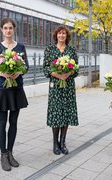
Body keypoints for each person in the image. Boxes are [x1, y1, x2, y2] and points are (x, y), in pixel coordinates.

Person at [0, 18, 29, 171]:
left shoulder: (20, 47)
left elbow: (26, 67)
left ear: (14, 29)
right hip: (1, 89)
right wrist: (2, 73)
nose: (8, 30)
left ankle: (11, 153)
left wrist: (17, 71)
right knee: (1, 122)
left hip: (16, 88)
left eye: (10, 28)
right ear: (1, 30)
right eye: (5, 28)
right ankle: (3, 155)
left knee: (13, 122)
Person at [43, 26, 79, 155]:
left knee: (66, 113)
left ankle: (63, 142)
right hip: (55, 87)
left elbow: (76, 69)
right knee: (56, 114)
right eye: (59, 33)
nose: (61, 35)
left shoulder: (71, 50)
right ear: (56, 35)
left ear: (67, 36)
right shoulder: (50, 49)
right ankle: (55, 143)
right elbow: (46, 68)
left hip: (68, 86)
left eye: (64, 33)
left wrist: (67, 75)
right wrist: (58, 75)